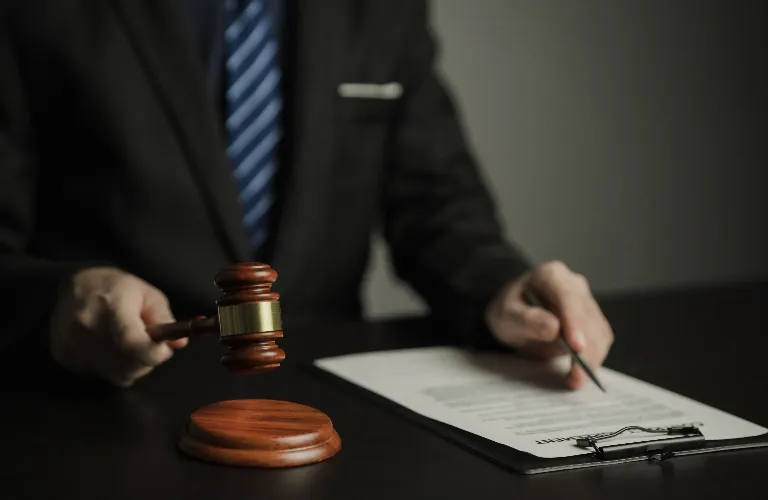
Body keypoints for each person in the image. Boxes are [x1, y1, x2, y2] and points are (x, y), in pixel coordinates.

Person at [0, 0, 613, 388]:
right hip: (104, 398)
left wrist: (502, 289)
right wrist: (61, 300)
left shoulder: (380, 9)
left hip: (331, 393)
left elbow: (437, 202)